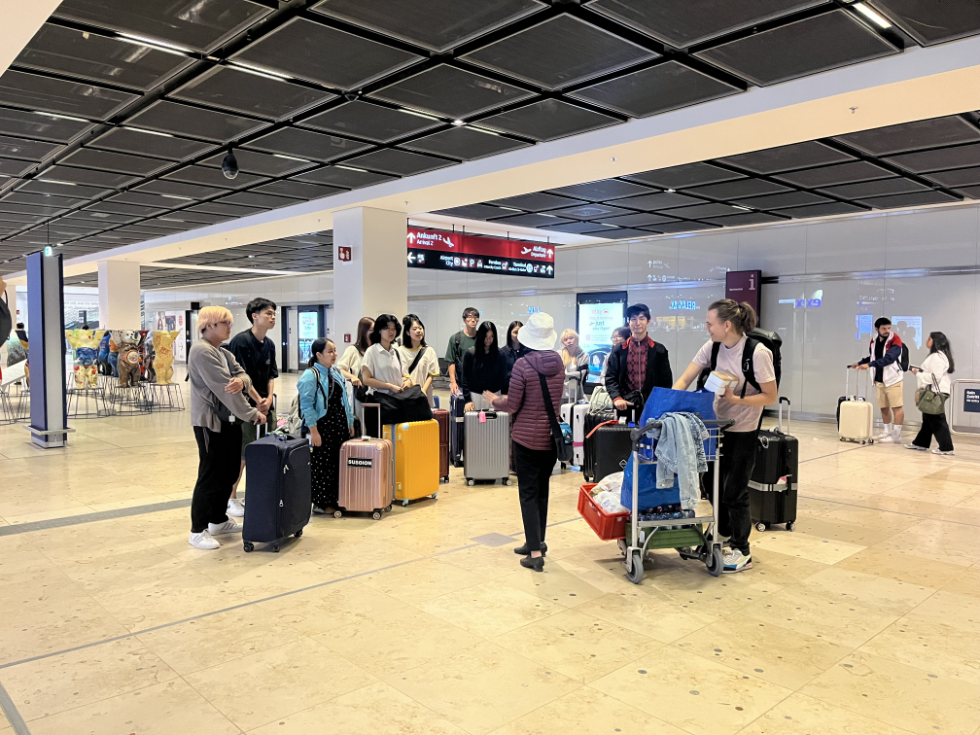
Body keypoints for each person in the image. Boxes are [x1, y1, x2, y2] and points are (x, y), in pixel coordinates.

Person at [672, 299, 777, 574]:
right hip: (713, 427)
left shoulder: (757, 353)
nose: (707, 328)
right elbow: (685, 378)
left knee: (735, 490)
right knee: (711, 484)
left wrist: (736, 400)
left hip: (743, 428)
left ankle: (742, 550)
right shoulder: (713, 347)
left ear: (726, 324)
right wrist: (671, 402)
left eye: (710, 323)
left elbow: (770, 395)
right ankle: (723, 535)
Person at [484, 313, 564, 572]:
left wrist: (493, 400)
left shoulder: (523, 365)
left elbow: (514, 404)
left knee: (528, 494)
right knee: (541, 492)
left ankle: (535, 553)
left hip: (526, 440)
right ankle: (536, 540)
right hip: (551, 439)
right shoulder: (559, 362)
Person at [187, 306, 265, 550]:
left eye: (229, 322)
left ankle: (217, 520)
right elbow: (224, 389)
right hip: (210, 423)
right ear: (208, 325)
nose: (230, 326)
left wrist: (241, 381)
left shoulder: (223, 351)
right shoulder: (201, 351)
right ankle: (197, 530)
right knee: (210, 475)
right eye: (224, 323)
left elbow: (244, 376)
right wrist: (252, 413)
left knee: (230, 471)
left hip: (230, 421)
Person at [227, 297, 278, 517]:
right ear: (254, 316)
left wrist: (267, 399)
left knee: (266, 449)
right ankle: (231, 497)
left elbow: (271, 375)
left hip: (265, 406)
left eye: (274, 313)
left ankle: (256, 492)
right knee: (244, 453)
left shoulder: (270, 344)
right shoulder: (241, 342)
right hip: (245, 407)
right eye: (268, 313)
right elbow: (241, 377)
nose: (273, 317)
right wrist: (258, 401)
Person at [299, 338, 355, 513]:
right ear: (318, 355)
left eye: (335, 350)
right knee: (323, 465)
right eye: (330, 351)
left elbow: (344, 400)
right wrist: (313, 431)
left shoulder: (336, 372)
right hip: (323, 426)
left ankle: (336, 498)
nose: (334, 354)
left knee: (337, 463)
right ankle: (322, 503)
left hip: (338, 425)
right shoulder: (311, 375)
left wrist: (350, 422)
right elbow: (306, 406)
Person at [605, 303, 673, 418]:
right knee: (623, 436)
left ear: (648, 321)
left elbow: (666, 381)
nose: (637, 323)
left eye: (642, 318)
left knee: (651, 435)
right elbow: (611, 377)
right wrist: (616, 398)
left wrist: (660, 402)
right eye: (633, 319)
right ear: (629, 322)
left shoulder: (659, 350)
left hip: (651, 406)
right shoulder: (619, 350)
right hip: (625, 405)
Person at [850, 317, 905, 443]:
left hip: (893, 379)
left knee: (896, 407)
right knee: (883, 407)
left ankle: (896, 435)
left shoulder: (895, 340)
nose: (887, 331)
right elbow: (873, 357)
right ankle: (887, 431)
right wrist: (860, 363)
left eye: (889, 328)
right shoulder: (874, 340)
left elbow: (889, 359)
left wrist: (869, 365)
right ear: (877, 329)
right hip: (879, 379)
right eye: (884, 328)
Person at [907, 331, 955, 456]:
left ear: (934, 341)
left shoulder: (937, 357)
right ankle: (920, 443)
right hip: (935, 390)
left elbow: (935, 376)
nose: (926, 341)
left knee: (937, 419)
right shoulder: (940, 355)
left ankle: (946, 447)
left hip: (935, 392)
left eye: (929, 339)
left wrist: (918, 373)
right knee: (928, 418)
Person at [461, 321, 509, 411]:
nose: (488, 340)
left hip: (495, 396)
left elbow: (504, 379)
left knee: (495, 424)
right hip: (475, 396)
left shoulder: (501, 354)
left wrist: (504, 399)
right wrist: (467, 400)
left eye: (491, 336)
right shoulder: (471, 353)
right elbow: (465, 379)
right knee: (476, 424)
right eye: (486, 336)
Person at [361, 314, 411, 398]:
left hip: (398, 398)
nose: (391, 331)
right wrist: (390, 386)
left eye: (393, 328)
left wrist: (407, 382)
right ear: (379, 330)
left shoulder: (396, 352)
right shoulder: (372, 351)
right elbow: (366, 379)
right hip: (380, 399)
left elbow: (404, 376)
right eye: (387, 328)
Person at [397, 314, 440, 406]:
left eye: (420, 328)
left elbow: (431, 375)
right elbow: (402, 374)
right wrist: (415, 389)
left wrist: (422, 391)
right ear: (408, 332)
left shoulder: (429, 351)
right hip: (406, 394)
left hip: (424, 396)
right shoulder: (399, 351)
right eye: (414, 329)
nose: (419, 331)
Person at [338, 316, 374, 423]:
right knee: (363, 426)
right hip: (361, 395)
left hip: (379, 394)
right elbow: (340, 369)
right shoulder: (353, 350)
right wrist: (352, 377)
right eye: (371, 330)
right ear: (364, 332)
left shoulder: (378, 350)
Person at [445, 306, 479, 396]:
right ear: (464, 319)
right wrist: (453, 382)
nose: (473, 319)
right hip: (461, 384)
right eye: (470, 317)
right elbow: (451, 361)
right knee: (461, 408)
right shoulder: (456, 338)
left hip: (479, 385)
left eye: (476, 317)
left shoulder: (482, 338)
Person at [560, 329, 589, 403]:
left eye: (571, 338)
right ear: (563, 342)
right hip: (561, 393)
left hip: (576, 393)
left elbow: (581, 375)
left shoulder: (584, 356)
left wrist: (565, 375)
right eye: (565, 340)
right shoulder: (558, 355)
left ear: (576, 339)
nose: (569, 341)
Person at [501, 320, 528, 386]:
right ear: (510, 333)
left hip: (525, 389)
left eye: (520, 332)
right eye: (515, 332)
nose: (518, 335)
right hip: (507, 390)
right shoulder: (502, 352)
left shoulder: (528, 352)